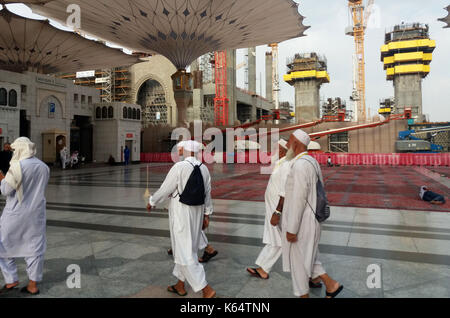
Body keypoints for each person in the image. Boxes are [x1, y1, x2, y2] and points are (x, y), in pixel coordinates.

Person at [147, 140, 216, 298]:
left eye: (181, 148)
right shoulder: (204, 168)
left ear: (186, 150)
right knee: (188, 248)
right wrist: (207, 215)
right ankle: (180, 285)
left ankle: (206, 289)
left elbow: (166, 188)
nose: (178, 150)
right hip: (197, 212)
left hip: (181, 212)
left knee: (185, 252)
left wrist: (152, 201)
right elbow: (208, 193)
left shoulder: (179, 167)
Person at [281, 129, 343, 298]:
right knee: (308, 256)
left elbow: (298, 200)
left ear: (295, 144)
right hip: (311, 219)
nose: (286, 145)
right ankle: (331, 285)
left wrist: (292, 229)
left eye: (289, 142)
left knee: (299, 264)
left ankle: (304, 295)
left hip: (303, 223)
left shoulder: (300, 165)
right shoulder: (311, 161)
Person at [0, 137, 50, 296]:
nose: (13, 152)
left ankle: (11, 279)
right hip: (36, 214)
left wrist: (2, 178)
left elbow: (5, 191)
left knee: (3, 246)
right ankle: (33, 285)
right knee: (34, 247)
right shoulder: (44, 167)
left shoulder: (16, 167)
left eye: (15, 150)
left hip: (15, 214)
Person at [167, 140, 218, 263]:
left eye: (179, 149)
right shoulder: (185, 164)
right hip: (185, 202)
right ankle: (177, 247)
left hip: (186, 202)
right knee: (187, 227)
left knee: (188, 227)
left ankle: (208, 249)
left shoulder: (184, 165)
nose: (178, 151)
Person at [246, 139, 290, 280]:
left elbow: (284, 190)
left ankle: (314, 274)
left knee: (280, 239)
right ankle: (263, 268)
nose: (274, 151)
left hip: (277, 209)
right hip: (273, 207)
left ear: (283, 150)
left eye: (276, 149)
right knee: (275, 238)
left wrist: (277, 212)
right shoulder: (280, 163)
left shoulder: (286, 165)